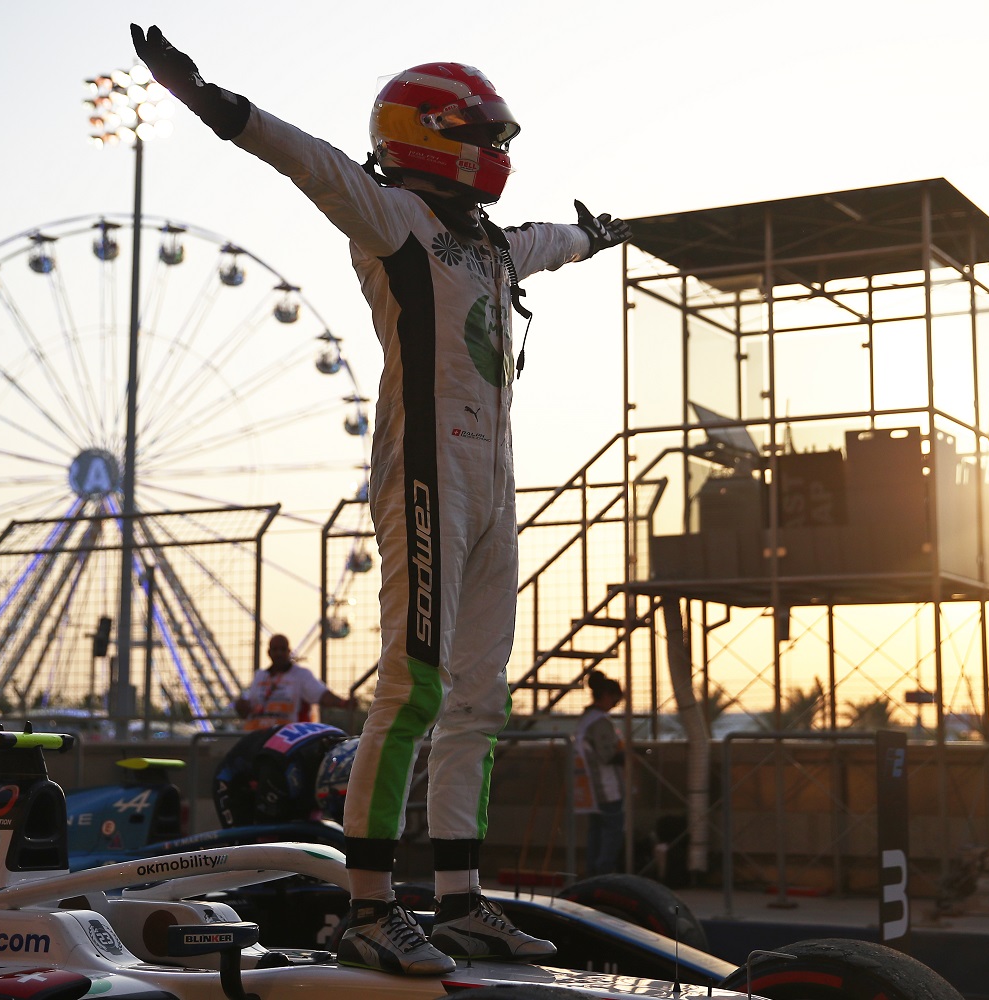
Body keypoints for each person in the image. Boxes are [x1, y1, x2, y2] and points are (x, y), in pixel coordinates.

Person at [131, 25, 630, 976]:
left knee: (480, 698)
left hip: (494, 486)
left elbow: (549, 244)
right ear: (430, 133)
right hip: (427, 476)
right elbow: (304, 159)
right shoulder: (394, 217)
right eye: (483, 133)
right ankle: (366, 906)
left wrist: (597, 236)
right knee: (414, 689)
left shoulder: (488, 245)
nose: (500, 152)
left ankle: (460, 902)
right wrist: (207, 99)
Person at [213, 720, 349, 827]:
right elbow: (265, 834)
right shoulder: (284, 768)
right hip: (235, 780)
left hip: (281, 767)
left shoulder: (341, 741)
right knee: (250, 849)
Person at [235, 633, 353, 730]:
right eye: (275, 649)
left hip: (290, 737)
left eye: (282, 649)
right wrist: (240, 705)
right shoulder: (260, 676)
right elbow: (248, 706)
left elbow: (321, 695)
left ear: (288, 651)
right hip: (256, 734)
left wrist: (343, 703)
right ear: (269, 652)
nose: (279, 653)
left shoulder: (301, 675)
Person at [575, 672, 626, 877]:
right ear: (606, 695)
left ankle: (592, 873)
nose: (616, 703)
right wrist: (627, 755)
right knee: (612, 831)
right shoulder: (600, 722)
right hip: (605, 787)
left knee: (595, 831)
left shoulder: (586, 719)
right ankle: (603, 873)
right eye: (615, 699)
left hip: (589, 787)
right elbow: (607, 755)